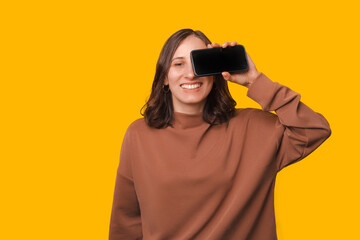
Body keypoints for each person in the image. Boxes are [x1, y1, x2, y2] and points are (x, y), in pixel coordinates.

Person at [108, 28, 331, 240]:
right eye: (178, 64)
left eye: (200, 64)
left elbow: (314, 129)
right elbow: (126, 222)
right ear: (164, 77)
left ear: (214, 74)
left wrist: (255, 81)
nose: (191, 74)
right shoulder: (138, 135)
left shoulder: (253, 127)